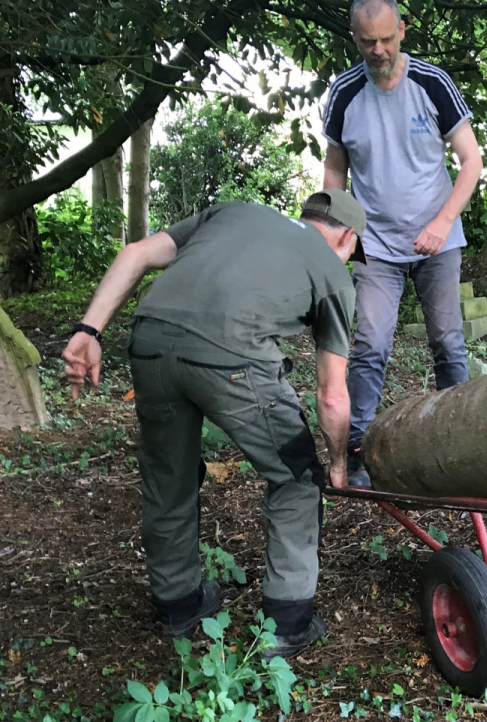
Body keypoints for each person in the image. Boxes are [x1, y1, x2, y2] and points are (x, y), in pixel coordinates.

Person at [61, 191, 366, 658]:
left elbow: (136, 253)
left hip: (149, 342)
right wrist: (339, 463)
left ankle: (177, 605)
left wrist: (88, 331)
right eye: (352, 251)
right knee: (298, 478)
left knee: (168, 476)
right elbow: (331, 395)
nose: (347, 259)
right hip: (233, 359)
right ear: (346, 237)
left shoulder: (234, 213)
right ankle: (286, 623)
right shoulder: (333, 277)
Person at [322, 0, 484, 484]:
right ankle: (358, 453)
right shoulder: (344, 93)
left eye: (387, 39)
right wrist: (335, 228)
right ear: (354, 39)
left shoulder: (432, 83)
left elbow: (471, 161)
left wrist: (442, 221)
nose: (379, 50)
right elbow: (335, 167)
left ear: (403, 33)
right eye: (368, 41)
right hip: (376, 244)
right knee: (370, 345)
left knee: (449, 344)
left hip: (439, 238)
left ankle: (462, 447)